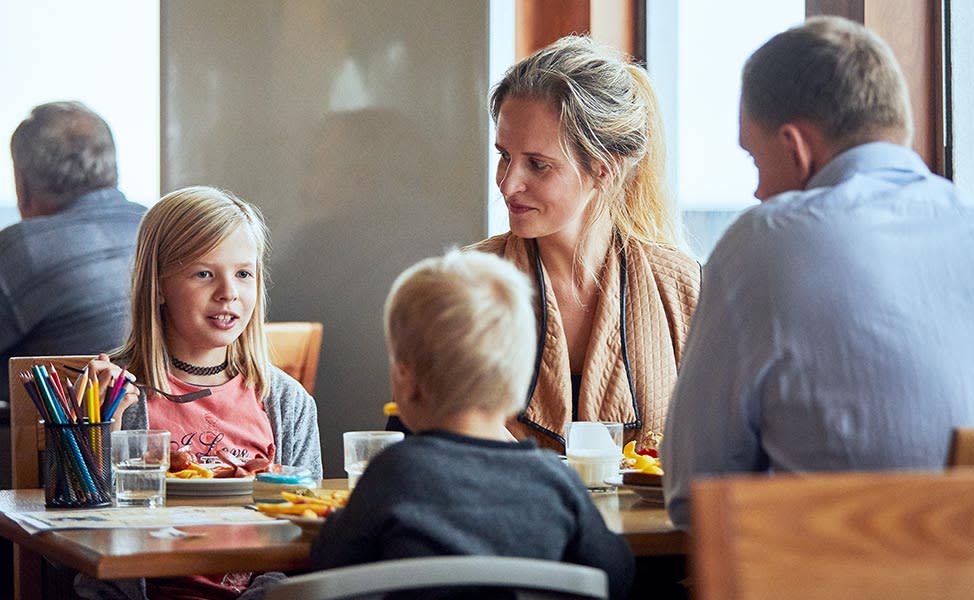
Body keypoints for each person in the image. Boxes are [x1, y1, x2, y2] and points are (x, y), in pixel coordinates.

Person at [663, 16, 974, 528]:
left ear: (796, 146)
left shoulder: (766, 243)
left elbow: (694, 494)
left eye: (754, 161)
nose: (757, 193)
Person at [311, 250, 634, 600]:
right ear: (520, 378)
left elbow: (329, 564)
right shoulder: (554, 480)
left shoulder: (393, 471)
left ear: (406, 380)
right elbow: (616, 574)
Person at [78, 186, 321, 600]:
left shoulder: (286, 401)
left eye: (244, 273)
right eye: (204, 273)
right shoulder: (113, 392)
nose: (229, 291)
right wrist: (99, 427)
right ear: (157, 286)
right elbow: (73, 540)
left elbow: (300, 537)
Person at [469, 35, 701, 452]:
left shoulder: (682, 288)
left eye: (537, 164)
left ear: (604, 169)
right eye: (504, 156)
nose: (508, 184)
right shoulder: (466, 283)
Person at [0, 101, 146, 398]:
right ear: (113, 169)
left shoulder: (18, 251)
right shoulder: (158, 225)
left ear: (21, 183)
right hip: (173, 439)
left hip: (70, 442)